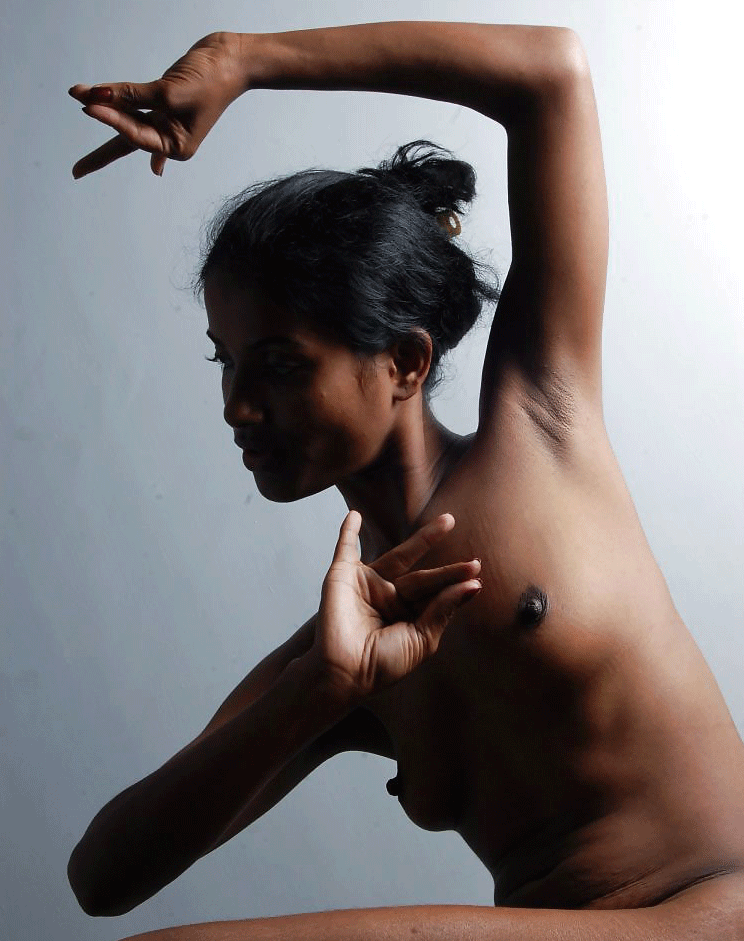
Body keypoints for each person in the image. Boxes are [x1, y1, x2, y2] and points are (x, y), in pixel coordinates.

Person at [66, 22, 744, 941]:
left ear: (406, 362)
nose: (237, 407)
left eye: (279, 364)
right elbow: (102, 877)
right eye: (225, 361)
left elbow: (550, 75)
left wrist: (243, 61)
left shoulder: (543, 426)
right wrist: (318, 691)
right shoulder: (351, 646)